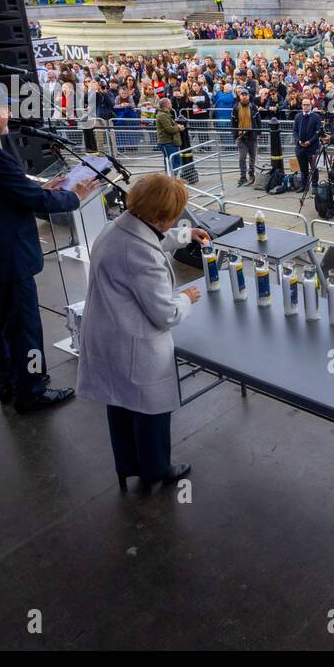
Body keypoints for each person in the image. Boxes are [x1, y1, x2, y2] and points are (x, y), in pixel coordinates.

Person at [0, 75, 98, 412]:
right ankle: (32, 390)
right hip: (7, 256)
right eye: (5, 107)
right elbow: (28, 200)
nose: (9, 112)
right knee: (23, 328)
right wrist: (73, 196)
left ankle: (9, 379)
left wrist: (42, 188)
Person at [76, 173, 209, 489]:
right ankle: (156, 469)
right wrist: (186, 298)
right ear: (162, 216)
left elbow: (150, 234)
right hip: (133, 344)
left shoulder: (115, 228)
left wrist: (185, 234)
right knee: (152, 413)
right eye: (172, 216)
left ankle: (127, 467)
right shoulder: (142, 255)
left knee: (120, 407)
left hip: (106, 336)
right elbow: (165, 313)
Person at [231, 88, 260, 186]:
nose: (244, 96)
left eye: (245, 94)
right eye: (242, 94)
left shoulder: (253, 107)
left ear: (248, 96)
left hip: (252, 136)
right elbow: (233, 122)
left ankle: (251, 174)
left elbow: (258, 120)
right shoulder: (236, 108)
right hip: (241, 137)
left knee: (252, 157)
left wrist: (258, 133)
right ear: (239, 96)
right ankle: (243, 176)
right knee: (242, 158)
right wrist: (235, 135)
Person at [293, 96, 322, 190]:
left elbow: (318, 132)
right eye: (304, 105)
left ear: (311, 105)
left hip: (312, 147)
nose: (305, 107)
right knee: (303, 168)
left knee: (314, 168)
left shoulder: (316, 117)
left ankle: (314, 186)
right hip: (300, 147)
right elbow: (295, 131)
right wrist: (299, 140)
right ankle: (304, 186)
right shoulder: (298, 116)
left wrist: (310, 141)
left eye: (307, 105)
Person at [154, 97, 182, 173]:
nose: (171, 105)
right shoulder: (162, 115)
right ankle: (170, 180)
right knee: (171, 163)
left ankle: (172, 179)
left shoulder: (166, 114)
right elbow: (169, 129)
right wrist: (178, 128)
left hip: (171, 142)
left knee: (176, 161)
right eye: (170, 103)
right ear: (167, 105)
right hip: (166, 142)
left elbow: (171, 127)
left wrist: (178, 127)